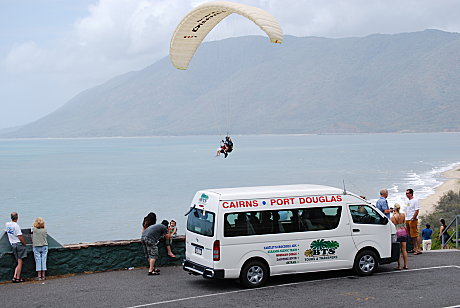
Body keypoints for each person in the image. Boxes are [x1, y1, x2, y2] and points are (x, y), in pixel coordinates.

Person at [5, 212, 27, 283]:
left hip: (13, 245)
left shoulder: (7, 224)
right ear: (17, 218)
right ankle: (17, 278)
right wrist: (24, 244)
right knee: (20, 262)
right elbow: (20, 237)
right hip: (18, 245)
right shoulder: (16, 226)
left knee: (18, 261)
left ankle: (14, 276)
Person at [390, 204, 408, 270]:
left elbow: (392, 225)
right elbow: (404, 223)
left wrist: (393, 214)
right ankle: (406, 265)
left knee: (398, 250)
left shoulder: (393, 217)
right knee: (404, 249)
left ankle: (399, 266)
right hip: (403, 231)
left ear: (394, 209)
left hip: (397, 232)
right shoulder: (403, 215)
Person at [405, 188, 421, 255]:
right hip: (408, 219)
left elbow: (416, 210)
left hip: (412, 219)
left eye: (407, 193)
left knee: (415, 234)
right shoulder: (408, 201)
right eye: (406, 193)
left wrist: (413, 218)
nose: (406, 194)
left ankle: (418, 249)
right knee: (411, 235)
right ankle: (414, 248)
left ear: (411, 193)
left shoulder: (415, 200)